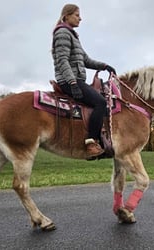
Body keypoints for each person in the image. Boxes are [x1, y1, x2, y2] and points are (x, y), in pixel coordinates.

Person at [52, 4, 116, 160]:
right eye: (76, 15)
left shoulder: (73, 35)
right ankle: (91, 142)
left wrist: (104, 66)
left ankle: (100, 141)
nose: (80, 18)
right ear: (66, 16)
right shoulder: (62, 33)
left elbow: (85, 60)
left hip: (76, 79)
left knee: (99, 101)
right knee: (100, 102)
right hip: (69, 80)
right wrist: (72, 82)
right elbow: (62, 61)